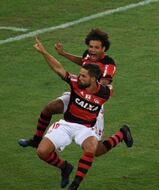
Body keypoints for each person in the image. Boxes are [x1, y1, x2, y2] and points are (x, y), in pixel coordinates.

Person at [32, 37, 121, 190]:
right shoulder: (75, 83)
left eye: (83, 77)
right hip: (67, 124)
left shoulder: (105, 93)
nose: (79, 78)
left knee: (94, 149)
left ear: (94, 79)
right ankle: (64, 167)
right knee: (42, 152)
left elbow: (107, 82)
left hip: (86, 128)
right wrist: (43, 52)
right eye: (79, 75)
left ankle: (75, 185)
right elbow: (59, 69)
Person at [18, 28, 132, 156]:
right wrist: (63, 54)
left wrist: (86, 89)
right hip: (78, 94)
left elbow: (103, 85)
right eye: (91, 46)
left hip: (93, 103)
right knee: (49, 108)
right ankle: (36, 140)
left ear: (104, 49)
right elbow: (83, 61)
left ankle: (122, 134)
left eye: (96, 47)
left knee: (97, 151)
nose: (92, 50)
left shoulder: (108, 64)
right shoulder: (88, 55)